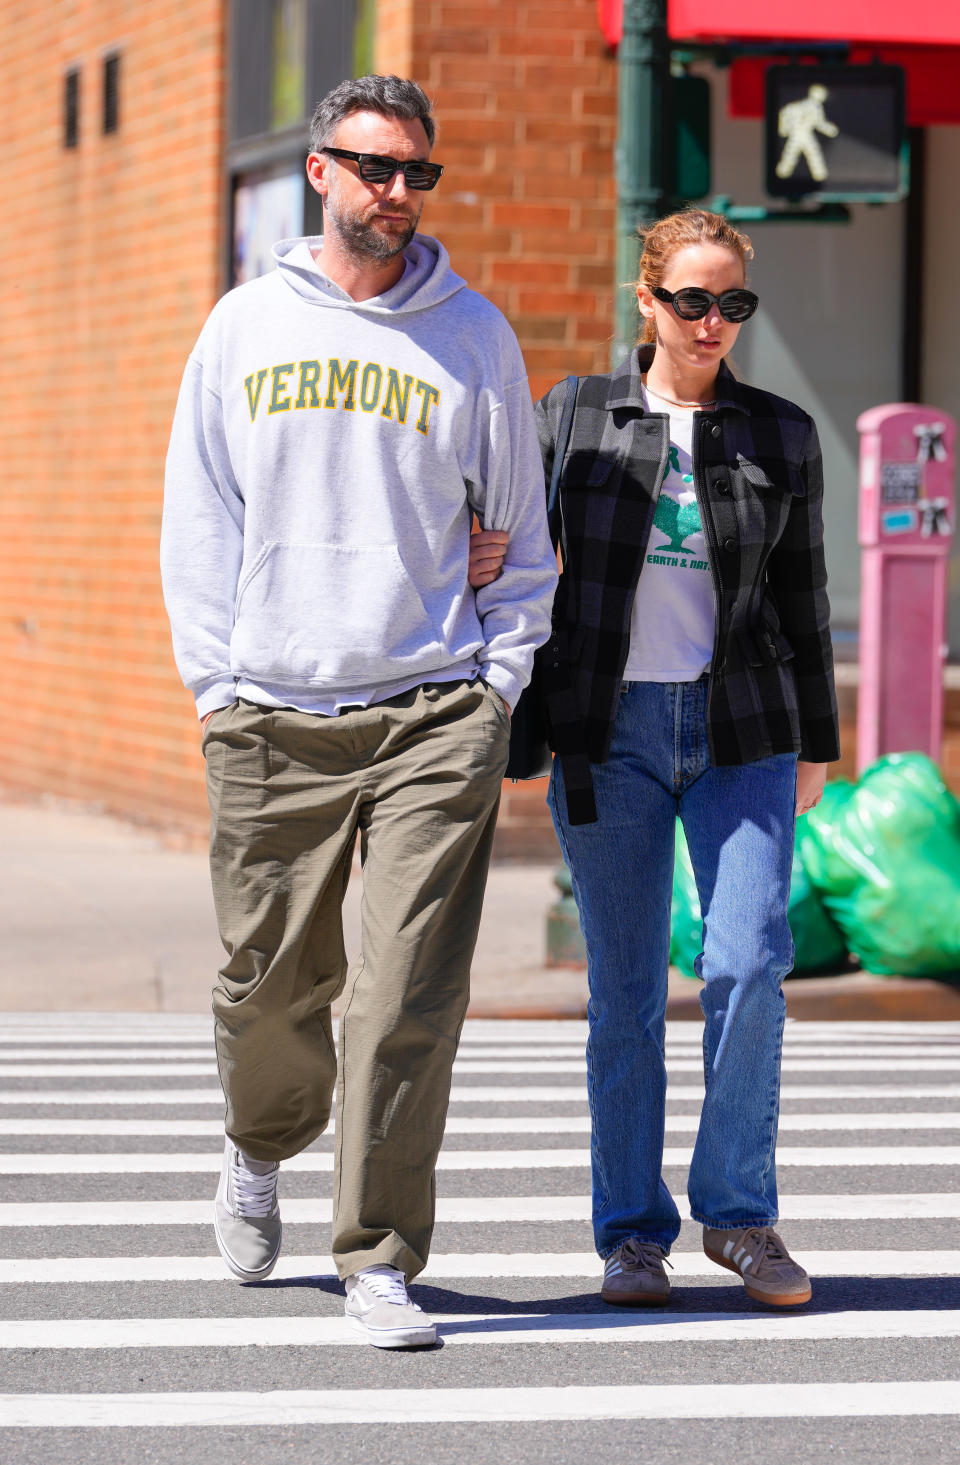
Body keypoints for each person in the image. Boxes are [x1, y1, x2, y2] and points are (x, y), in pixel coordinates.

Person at [160, 74, 557, 1349]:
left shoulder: (473, 336)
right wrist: (219, 687)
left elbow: (520, 536)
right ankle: (257, 1141)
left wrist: (496, 682)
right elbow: (199, 520)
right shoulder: (241, 329)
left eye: (417, 173)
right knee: (269, 990)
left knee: (404, 998)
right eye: (376, 166)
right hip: (272, 712)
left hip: (433, 710)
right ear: (319, 171)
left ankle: (378, 1253)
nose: (397, 192)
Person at [470, 208, 840, 1308]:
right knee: (624, 993)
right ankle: (633, 1234)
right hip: (611, 728)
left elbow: (803, 600)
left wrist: (817, 742)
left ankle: (739, 1214)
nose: (712, 321)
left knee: (746, 964)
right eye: (691, 299)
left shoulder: (781, 433)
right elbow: (516, 552)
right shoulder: (578, 416)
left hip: (744, 734)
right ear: (647, 300)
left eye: (733, 303)